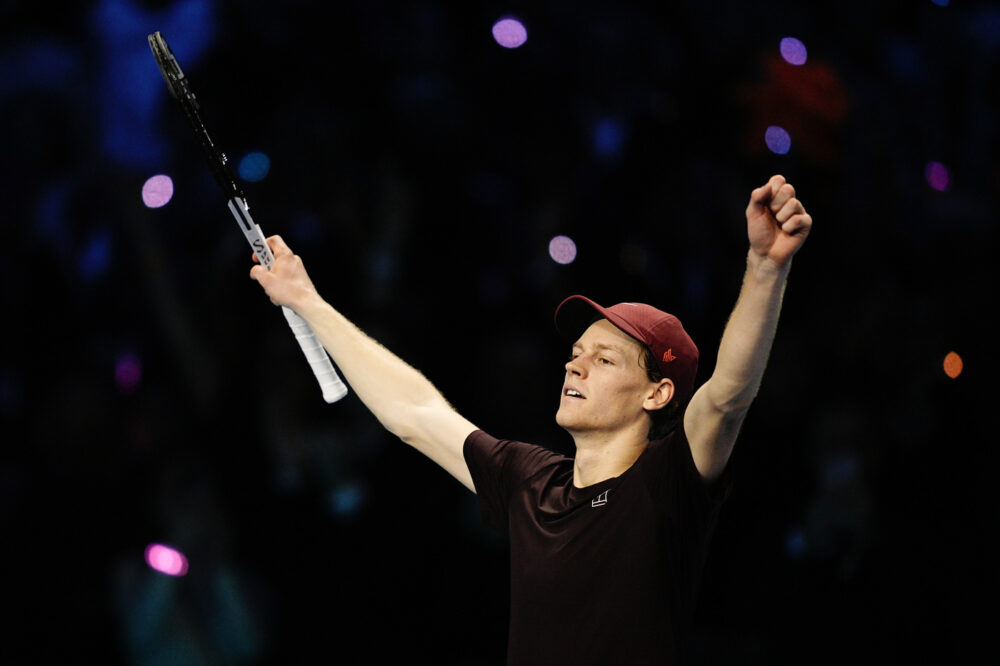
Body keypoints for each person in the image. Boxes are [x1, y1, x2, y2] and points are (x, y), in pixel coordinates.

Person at [250, 174, 812, 664]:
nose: (576, 362)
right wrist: (310, 303)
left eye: (605, 358)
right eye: (577, 351)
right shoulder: (529, 480)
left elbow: (729, 395)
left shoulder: (667, 482)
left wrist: (765, 268)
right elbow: (415, 411)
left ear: (658, 394)